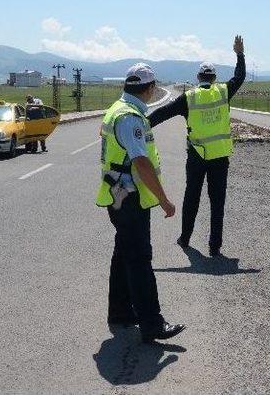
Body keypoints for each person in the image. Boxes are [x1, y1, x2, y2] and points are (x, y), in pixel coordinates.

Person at [97, 62, 185, 343]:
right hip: (130, 198)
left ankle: (121, 311)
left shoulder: (116, 110)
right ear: (148, 89)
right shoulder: (131, 117)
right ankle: (152, 323)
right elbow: (141, 162)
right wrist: (164, 200)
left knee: (123, 254)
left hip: (117, 196)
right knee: (140, 260)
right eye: (153, 89)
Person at [148, 35, 246, 256]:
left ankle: (185, 238)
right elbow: (239, 77)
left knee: (192, 197)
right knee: (217, 203)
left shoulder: (189, 98)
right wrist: (239, 54)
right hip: (220, 158)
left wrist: (142, 125)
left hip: (196, 158)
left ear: (198, 77)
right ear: (214, 78)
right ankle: (215, 246)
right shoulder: (223, 92)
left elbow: (162, 114)